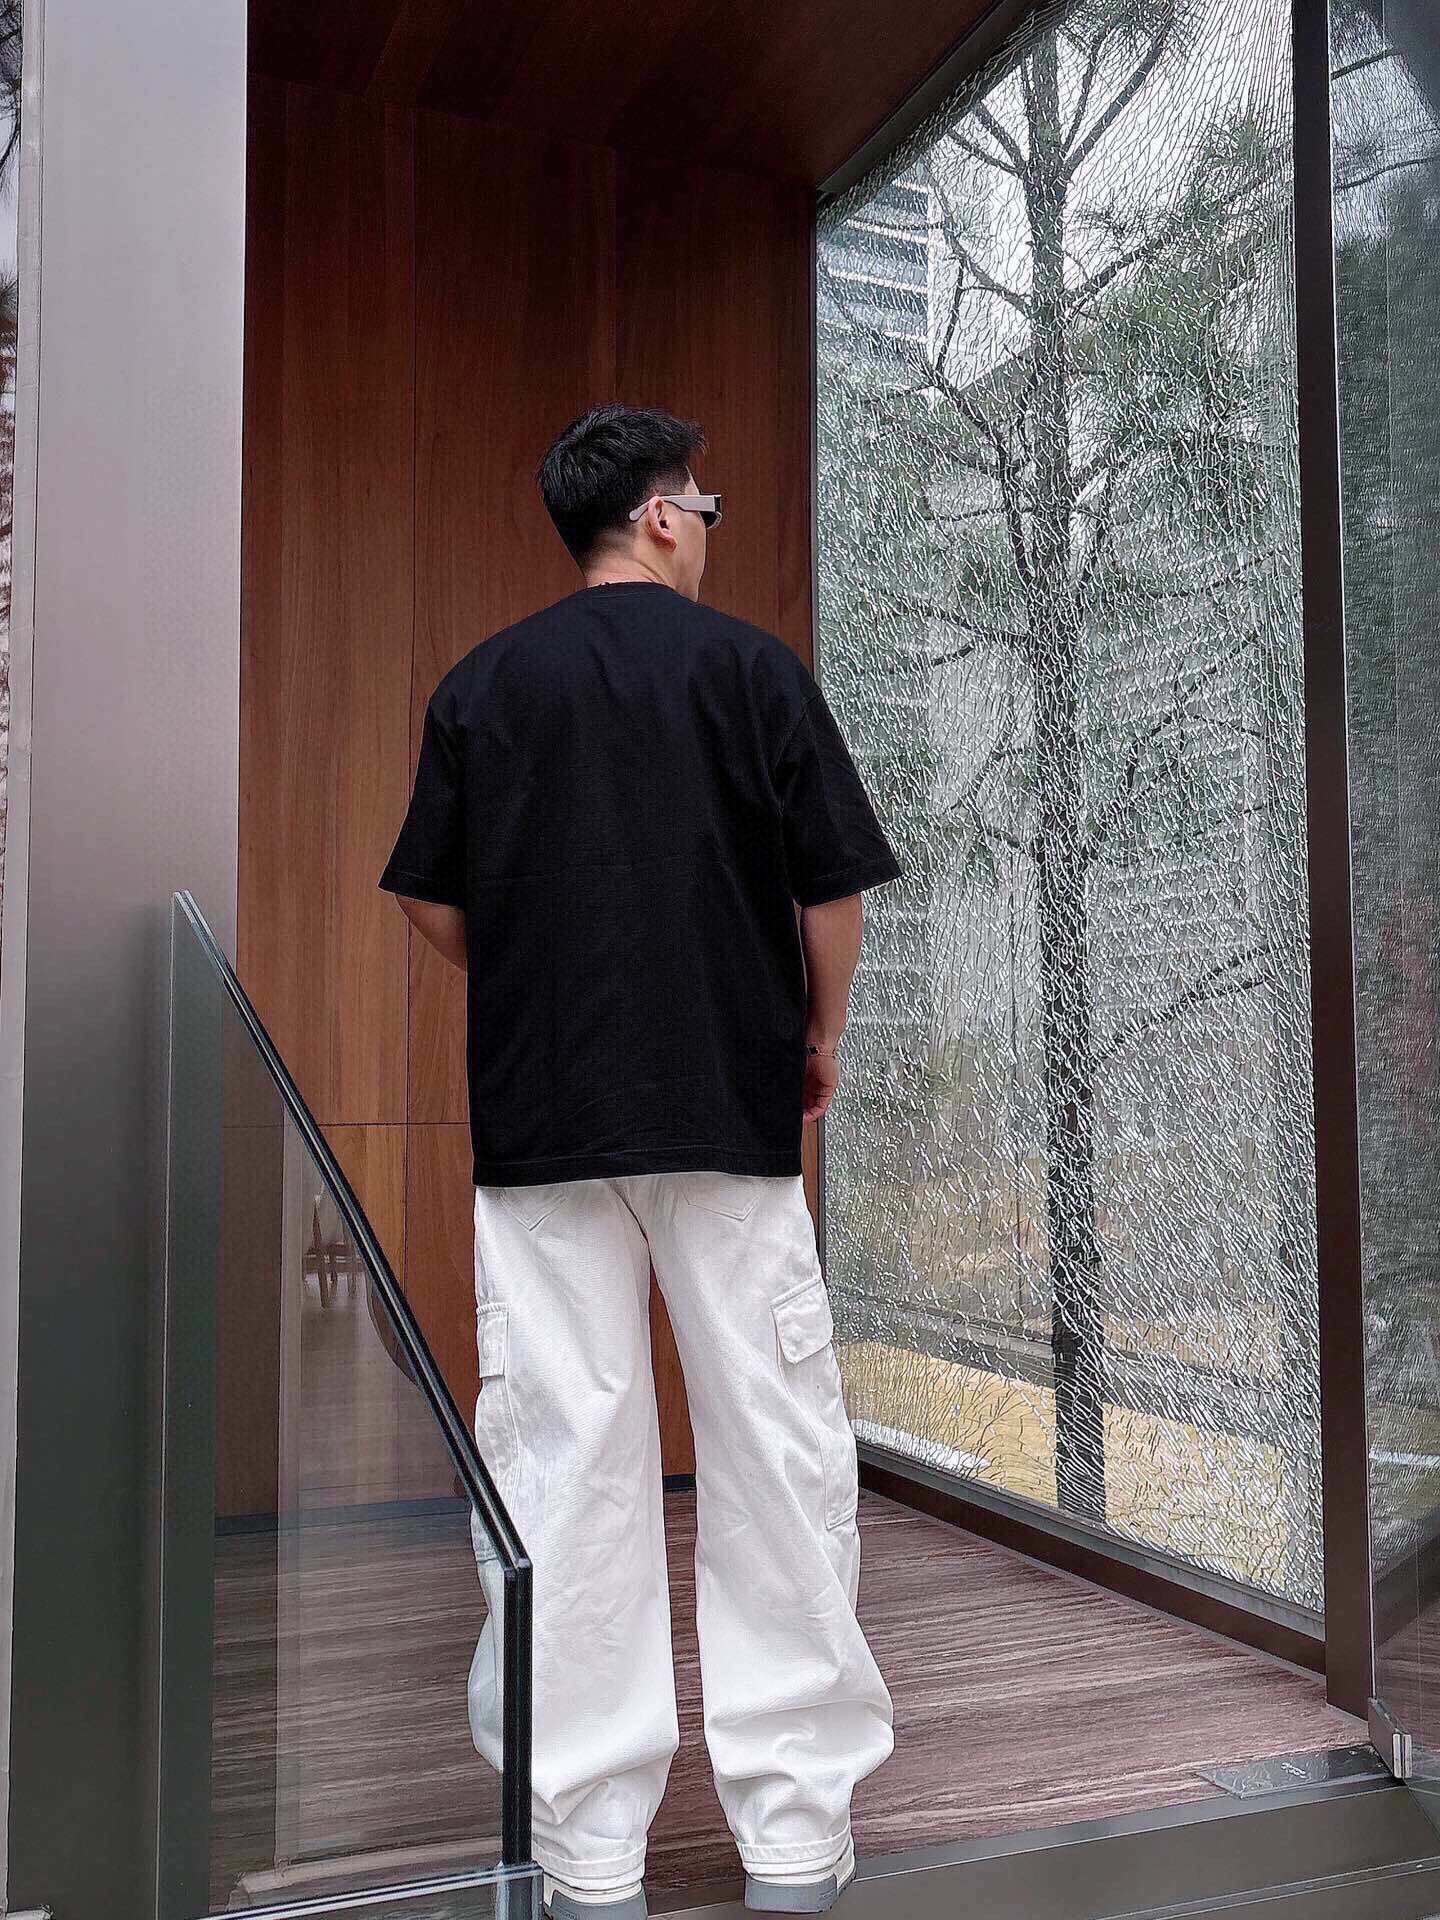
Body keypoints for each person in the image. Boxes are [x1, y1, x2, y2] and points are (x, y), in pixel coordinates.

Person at [378, 403, 902, 1919]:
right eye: (706, 508)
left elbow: (427, 898)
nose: (708, 531)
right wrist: (817, 1032)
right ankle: (792, 1840)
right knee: (772, 1447)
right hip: (728, 1109)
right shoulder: (752, 671)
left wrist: (532, 965)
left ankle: (587, 1853)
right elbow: (831, 893)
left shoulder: (486, 685)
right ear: (664, 516)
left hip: (543, 1119)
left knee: (563, 1463)